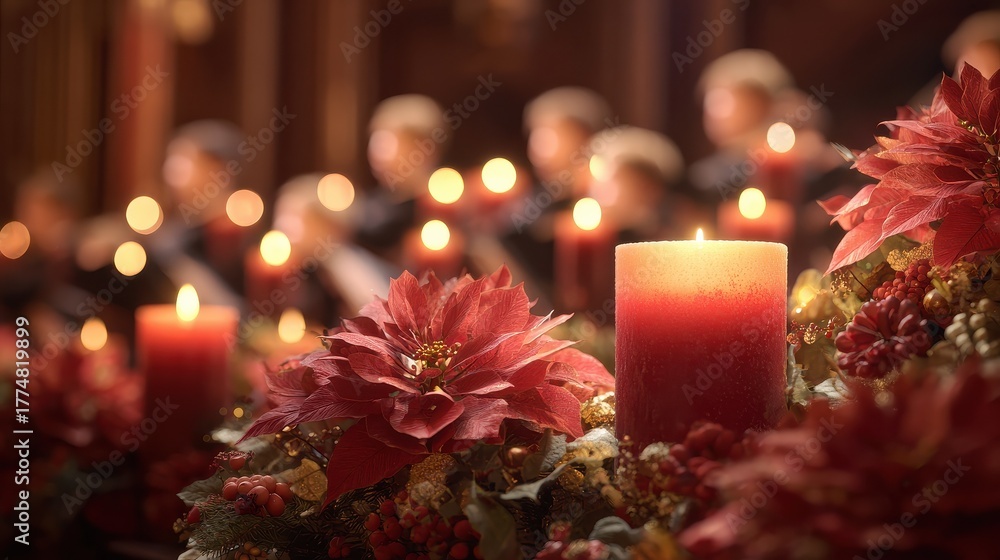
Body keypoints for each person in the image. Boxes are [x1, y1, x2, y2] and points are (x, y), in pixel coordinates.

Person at [358, 94, 448, 264]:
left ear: (425, 148)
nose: (376, 153)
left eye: (386, 143)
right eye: (374, 141)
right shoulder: (366, 207)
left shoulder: (448, 210)